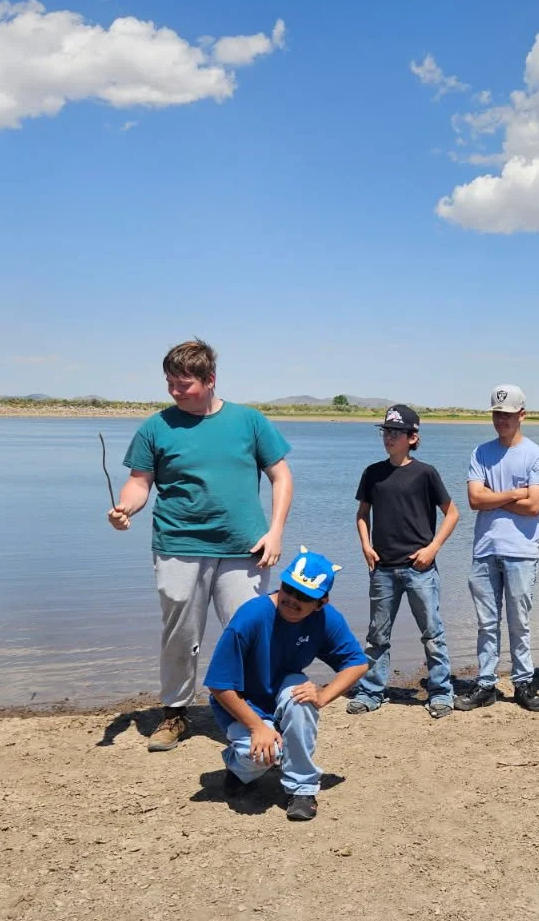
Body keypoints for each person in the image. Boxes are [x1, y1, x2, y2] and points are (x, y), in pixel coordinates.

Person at [108, 339, 293, 752]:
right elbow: (140, 482)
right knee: (180, 634)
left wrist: (276, 530)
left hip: (243, 547)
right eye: (170, 383)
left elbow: (281, 476)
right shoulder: (156, 427)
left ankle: (251, 710)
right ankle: (175, 712)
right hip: (178, 544)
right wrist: (126, 508)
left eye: (184, 384)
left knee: (247, 631)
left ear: (210, 380)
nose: (175, 391)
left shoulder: (250, 421)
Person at [204, 549, 367, 822]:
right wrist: (257, 727)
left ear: (321, 602)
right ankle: (238, 769)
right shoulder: (251, 616)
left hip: (283, 690)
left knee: (302, 697)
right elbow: (218, 685)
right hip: (243, 701)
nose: (292, 600)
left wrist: (324, 695)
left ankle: (301, 788)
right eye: (289, 589)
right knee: (263, 755)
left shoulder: (326, 619)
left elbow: (357, 663)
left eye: (304, 597)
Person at [349, 405, 460, 719]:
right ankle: (372, 691)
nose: (389, 437)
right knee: (377, 636)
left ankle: (441, 693)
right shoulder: (373, 472)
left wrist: (433, 548)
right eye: (386, 431)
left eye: (396, 432)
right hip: (382, 569)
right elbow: (362, 515)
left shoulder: (426, 473)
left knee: (432, 633)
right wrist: (366, 546)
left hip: (419, 568)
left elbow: (452, 513)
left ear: (413, 437)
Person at [456, 384, 539, 712]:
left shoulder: (536, 454)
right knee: (486, 621)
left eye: (508, 414)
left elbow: (534, 506)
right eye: (497, 414)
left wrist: (493, 499)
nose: (502, 420)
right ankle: (486, 684)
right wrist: (514, 493)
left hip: (522, 551)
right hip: (485, 549)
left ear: (522, 415)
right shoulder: (480, 452)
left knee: (519, 621)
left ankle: (523, 682)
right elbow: (474, 500)